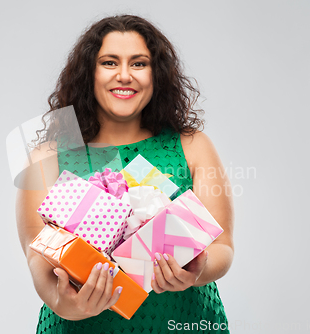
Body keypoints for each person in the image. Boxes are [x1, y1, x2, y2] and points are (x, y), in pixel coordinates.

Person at [16, 14, 234, 333]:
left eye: (138, 63)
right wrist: (69, 305)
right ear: (88, 73)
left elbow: (223, 246)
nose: (124, 75)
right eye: (109, 62)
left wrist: (195, 272)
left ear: (156, 74)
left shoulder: (192, 146)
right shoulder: (47, 158)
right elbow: (39, 261)